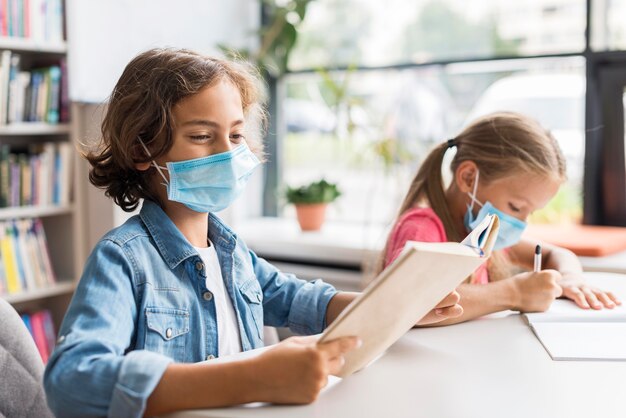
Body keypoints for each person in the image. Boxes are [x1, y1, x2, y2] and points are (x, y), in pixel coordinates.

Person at [43, 48, 462, 418]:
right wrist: (251, 379)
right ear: (142, 150)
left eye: (236, 135)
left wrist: (399, 305)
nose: (228, 153)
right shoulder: (123, 258)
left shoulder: (231, 251)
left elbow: (299, 299)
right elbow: (71, 380)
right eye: (203, 136)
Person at [380, 112, 621, 325]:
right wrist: (513, 293)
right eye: (516, 207)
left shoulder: (482, 234)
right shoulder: (423, 228)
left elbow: (555, 255)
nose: (521, 223)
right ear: (468, 178)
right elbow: (411, 300)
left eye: (530, 213)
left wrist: (571, 279)